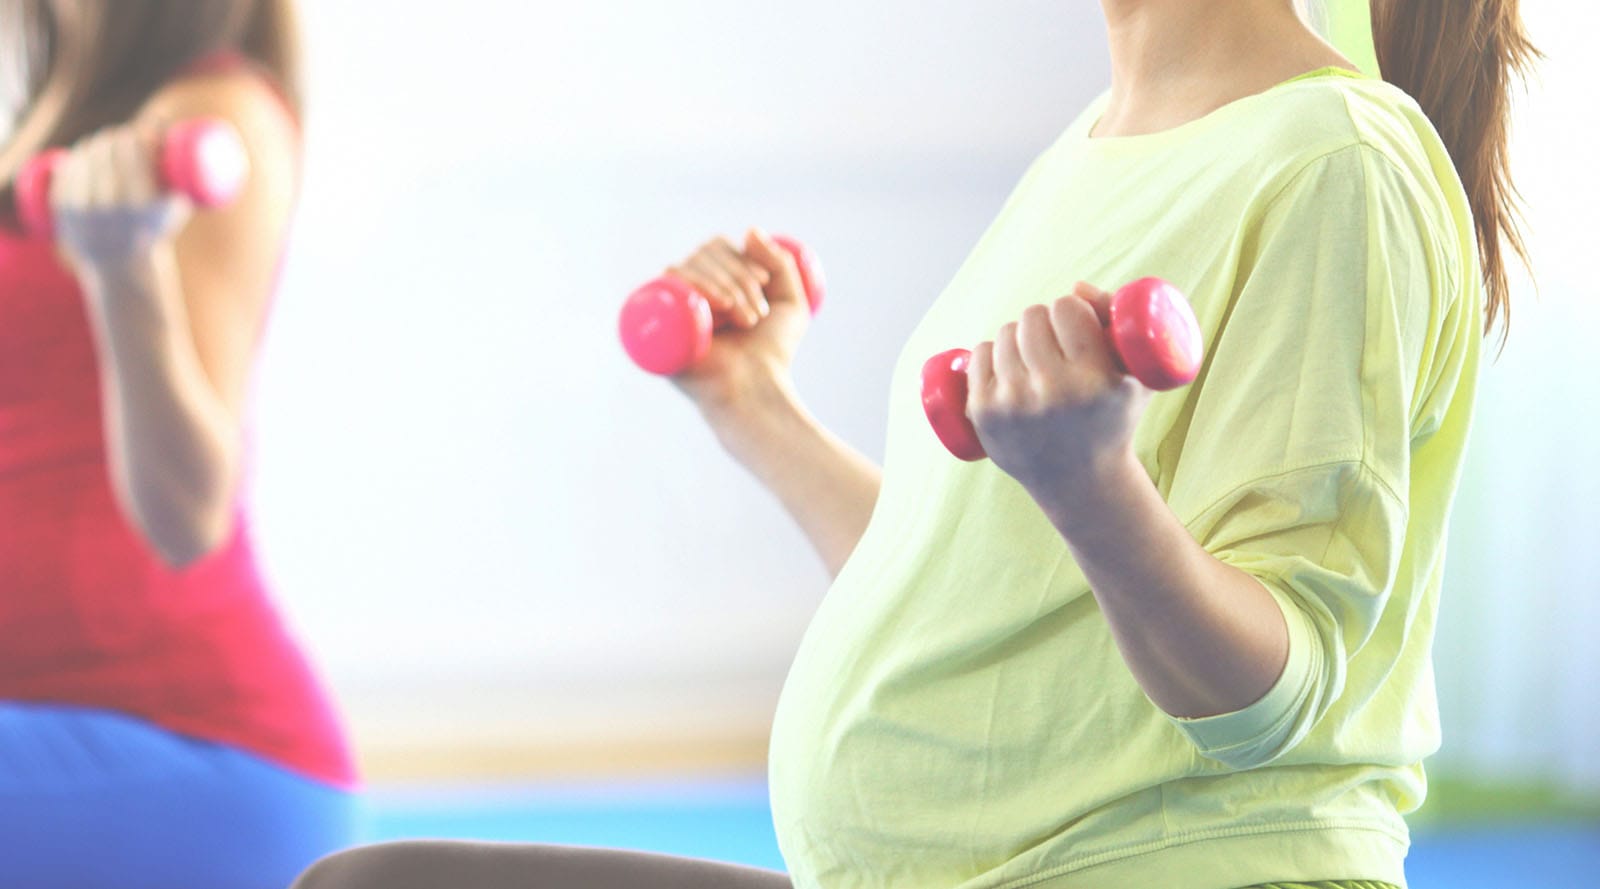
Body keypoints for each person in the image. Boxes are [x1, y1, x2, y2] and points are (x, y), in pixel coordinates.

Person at [293, 0, 1534, 886]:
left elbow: (1275, 692)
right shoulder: (1097, 139)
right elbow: (977, 571)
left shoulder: (1334, 164)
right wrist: (751, 404)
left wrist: (1095, 486)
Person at [0, 2, 359, 887]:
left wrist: (125, 269)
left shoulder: (214, 120)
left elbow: (186, 517)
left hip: (193, 751)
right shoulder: (49, 111)